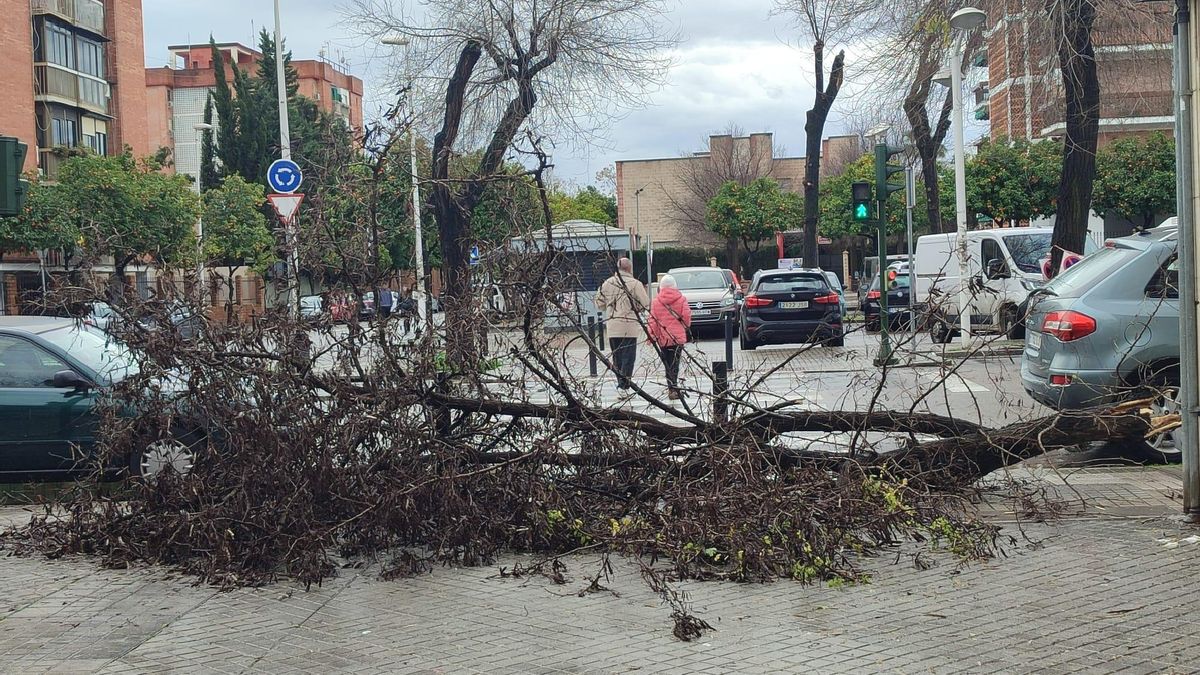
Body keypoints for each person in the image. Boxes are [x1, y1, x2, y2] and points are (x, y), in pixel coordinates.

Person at [595, 257, 649, 395]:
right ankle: (624, 385)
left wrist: (609, 304)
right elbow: (645, 303)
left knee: (617, 357)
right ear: (629, 268)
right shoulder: (635, 284)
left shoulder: (607, 283)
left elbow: (598, 303)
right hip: (629, 326)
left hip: (613, 326)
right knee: (628, 357)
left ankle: (620, 382)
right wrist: (636, 307)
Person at [647, 274, 692, 400]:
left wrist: (652, 336)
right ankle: (674, 387)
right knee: (675, 363)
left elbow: (653, 320)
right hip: (677, 337)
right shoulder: (681, 299)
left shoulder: (656, 302)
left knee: (667, 364)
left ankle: (671, 387)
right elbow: (687, 315)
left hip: (663, 338)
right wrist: (685, 326)